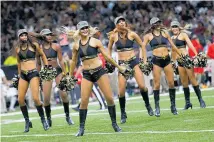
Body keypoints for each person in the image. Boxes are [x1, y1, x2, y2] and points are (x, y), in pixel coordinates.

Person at [68, 21, 128, 136]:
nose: (85, 30)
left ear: (89, 29)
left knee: (109, 99)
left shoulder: (95, 41)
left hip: (99, 72)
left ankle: (115, 124)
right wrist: (70, 76)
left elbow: (107, 57)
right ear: (79, 31)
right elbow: (73, 62)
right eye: (82, 28)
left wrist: (119, 67)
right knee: (84, 101)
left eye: (86, 28)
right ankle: (81, 129)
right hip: (86, 74)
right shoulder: (76, 45)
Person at [107, 16, 154, 124]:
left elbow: (142, 45)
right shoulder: (113, 36)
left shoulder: (132, 34)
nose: (122, 23)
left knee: (142, 86)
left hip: (133, 62)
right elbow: (108, 49)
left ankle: (148, 105)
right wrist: (109, 60)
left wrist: (144, 60)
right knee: (121, 91)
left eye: (123, 21)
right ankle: (123, 113)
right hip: (122, 65)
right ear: (116, 25)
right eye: (119, 22)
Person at [31, 29, 74, 127]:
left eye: (50, 34)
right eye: (47, 35)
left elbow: (61, 60)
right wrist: (37, 76)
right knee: (46, 98)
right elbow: (38, 63)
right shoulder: (39, 49)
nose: (49, 36)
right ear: (42, 37)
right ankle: (49, 118)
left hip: (58, 71)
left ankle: (68, 116)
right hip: (46, 72)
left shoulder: (56, 46)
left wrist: (66, 73)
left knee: (63, 94)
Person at [141, 17, 183, 117]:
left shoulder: (165, 33)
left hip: (167, 60)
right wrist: (145, 60)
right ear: (152, 25)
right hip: (156, 61)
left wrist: (181, 55)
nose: (159, 24)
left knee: (171, 83)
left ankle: (173, 106)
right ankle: (157, 107)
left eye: (159, 22)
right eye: (157, 23)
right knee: (156, 84)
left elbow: (173, 46)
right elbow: (143, 47)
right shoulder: (148, 36)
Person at [15, 29, 49, 132]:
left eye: (25, 35)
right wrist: (19, 75)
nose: (24, 37)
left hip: (33, 73)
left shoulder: (34, 45)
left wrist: (46, 67)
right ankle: (27, 121)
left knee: (36, 98)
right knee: (20, 99)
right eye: (22, 35)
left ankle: (43, 120)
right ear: (19, 37)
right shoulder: (17, 49)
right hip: (23, 75)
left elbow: (43, 55)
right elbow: (19, 63)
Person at [170, 20, 206, 109]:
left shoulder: (183, 35)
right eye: (172, 27)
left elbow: (190, 45)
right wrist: (172, 62)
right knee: (184, 83)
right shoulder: (171, 38)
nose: (174, 28)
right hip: (179, 62)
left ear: (178, 27)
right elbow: (173, 51)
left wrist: (196, 54)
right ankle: (188, 103)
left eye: (175, 26)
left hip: (186, 59)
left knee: (193, 80)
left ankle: (201, 100)